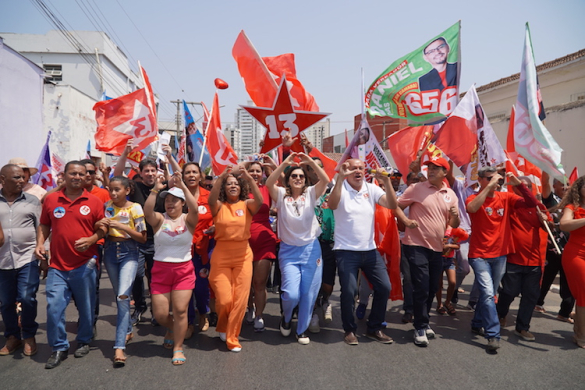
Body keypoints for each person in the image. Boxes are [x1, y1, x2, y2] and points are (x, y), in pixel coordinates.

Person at [35, 161, 107, 369]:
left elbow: (102, 229)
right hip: (57, 265)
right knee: (54, 307)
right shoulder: (51, 199)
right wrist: (40, 243)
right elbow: (45, 224)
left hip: (85, 264)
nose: (77, 177)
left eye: (81, 174)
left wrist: (92, 240)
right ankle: (59, 347)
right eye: (72, 173)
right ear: (64, 175)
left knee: (86, 307)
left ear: (86, 177)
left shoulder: (94, 202)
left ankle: (84, 340)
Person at [466, 166, 537, 352]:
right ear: (480, 179)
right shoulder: (474, 197)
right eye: (489, 178)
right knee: (489, 294)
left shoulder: (506, 198)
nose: (495, 181)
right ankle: (493, 334)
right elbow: (471, 208)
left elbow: (531, 203)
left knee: (488, 293)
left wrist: (519, 185)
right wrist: (489, 188)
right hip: (479, 255)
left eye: (497, 178)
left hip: (499, 255)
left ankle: (477, 322)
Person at [328, 159, 397, 345]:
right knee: (349, 292)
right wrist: (340, 179)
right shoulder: (339, 186)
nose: (358, 171)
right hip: (345, 251)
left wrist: (387, 181)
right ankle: (349, 330)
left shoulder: (371, 188)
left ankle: (374, 328)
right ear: (346, 170)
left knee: (384, 287)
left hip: (370, 250)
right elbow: (332, 205)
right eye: (353, 168)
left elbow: (391, 204)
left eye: (360, 168)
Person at [266, 153, 329, 344]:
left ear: (305, 179)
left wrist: (310, 162)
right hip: (288, 251)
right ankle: (286, 319)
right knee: (291, 293)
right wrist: (285, 163)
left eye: (301, 176)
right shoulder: (280, 195)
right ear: (288, 179)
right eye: (294, 176)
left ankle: (301, 330)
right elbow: (269, 183)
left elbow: (325, 179)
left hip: (311, 250)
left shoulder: (311, 193)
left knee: (308, 293)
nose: (298, 179)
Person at [398, 157, 459, 346]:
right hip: (415, 245)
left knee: (433, 287)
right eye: (429, 168)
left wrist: (455, 217)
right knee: (422, 286)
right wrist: (407, 222)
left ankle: (423, 321)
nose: (431, 171)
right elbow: (396, 206)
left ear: (445, 173)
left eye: (436, 168)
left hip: (437, 248)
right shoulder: (417, 188)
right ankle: (420, 326)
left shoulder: (450, 194)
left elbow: (454, 224)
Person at [144, 172, 199, 365]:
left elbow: (195, 208)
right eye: (167, 200)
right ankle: (176, 328)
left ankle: (178, 347)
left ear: (182, 203)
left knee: (180, 311)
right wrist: (155, 189)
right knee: (160, 314)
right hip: (160, 271)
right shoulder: (159, 219)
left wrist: (183, 186)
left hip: (183, 271)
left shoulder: (189, 220)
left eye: (175, 200)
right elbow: (147, 212)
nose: (170, 203)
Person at [208, 165, 262, 352]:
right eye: (228, 184)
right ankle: (223, 326)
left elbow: (260, 200)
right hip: (221, 255)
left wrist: (248, 177)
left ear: (241, 188)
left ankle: (232, 337)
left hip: (243, 255)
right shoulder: (218, 206)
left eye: (236, 184)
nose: (232, 186)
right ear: (223, 187)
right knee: (224, 300)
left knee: (240, 299)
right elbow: (210, 198)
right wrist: (221, 178)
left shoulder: (247, 205)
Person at [164, 146, 214, 337]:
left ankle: (204, 312)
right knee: (185, 289)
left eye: (195, 172)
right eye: (188, 173)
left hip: (203, 250)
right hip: (180, 250)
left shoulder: (209, 197)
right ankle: (190, 322)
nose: (191, 175)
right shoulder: (176, 195)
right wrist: (169, 157)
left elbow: (218, 217)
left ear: (201, 176)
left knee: (201, 288)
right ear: (182, 176)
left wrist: (215, 227)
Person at [99, 176, 147, 367]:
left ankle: (119, 347)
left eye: (117, 189)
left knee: (122, 297)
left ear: (127, 190)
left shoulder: (135, 208)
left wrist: (121, 226)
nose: (113, 193)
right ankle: (127, 330)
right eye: (111, 189)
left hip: (129, 253)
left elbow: (142, 237)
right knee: (120, 296)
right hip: (110, 252)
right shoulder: (106, 206)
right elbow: (100, 228)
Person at [114, 142, 163, 326]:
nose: (150, 174)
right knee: (135, 276)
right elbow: (118, 175)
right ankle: (140, 306)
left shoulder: (163, 188)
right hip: (136, 241)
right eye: (147, 171)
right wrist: (125, 153)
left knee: (155, 277)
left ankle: (156, 309)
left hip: (158, 242)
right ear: (141, 173)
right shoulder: (133, 187)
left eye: (153, 170)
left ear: (157, 172)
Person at [496, 177, 549, 342]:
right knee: (508, 292)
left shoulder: (539, 207)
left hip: (534, 260)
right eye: (521, 186)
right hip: (514, 258)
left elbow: (551, 225)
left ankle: (522, 327)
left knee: (531, 295)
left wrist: (546, 221)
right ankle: (500, 315)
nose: (524, 189)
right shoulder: (511, 204)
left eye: (527, 187)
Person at [0, 164, 42, 357]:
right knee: (6, 301)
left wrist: (43, 251)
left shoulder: (32, 200)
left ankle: (29, 335)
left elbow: (42, 227)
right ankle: (13, 336)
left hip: (27, 258)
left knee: (26, 298)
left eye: (22, 177)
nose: (22, 181)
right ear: (3, 179)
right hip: (2, 262)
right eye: (16, 178)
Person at [536, 172, 575, 323]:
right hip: (552, 249)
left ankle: (564, 313)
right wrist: (547, 165)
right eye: (562, 184)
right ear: (554, 186)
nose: (566, 187)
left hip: (570, 250)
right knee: (546, 279)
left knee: (569, 283)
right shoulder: (551, 200)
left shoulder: (575, 204)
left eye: (568, 184)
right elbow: (544, 182)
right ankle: (538, 303)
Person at [245, 159, 278, 333]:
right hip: (243, 242)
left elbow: (278, 175)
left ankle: (259, 315)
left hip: (264, 241)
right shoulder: (239, 190)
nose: (255, 174)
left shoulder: (268, 189)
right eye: (252, 170)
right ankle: (249, 308)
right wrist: (248, 161)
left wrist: (271, 163)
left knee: (259, 283)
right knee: (247, 282)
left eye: (258, 171)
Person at [559, 176, 585, 348]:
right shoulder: (572, 207)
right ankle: (581, 336)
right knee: (584, 293)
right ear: (579, 189)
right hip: (576, 254)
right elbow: (564, 224)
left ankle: (579, 327)